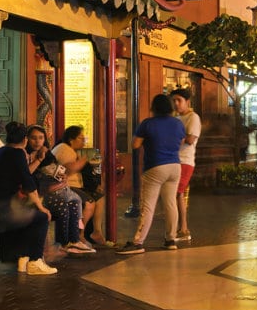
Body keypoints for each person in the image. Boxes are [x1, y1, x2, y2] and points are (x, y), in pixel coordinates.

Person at [0, 122, 56, 275]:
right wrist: (42, 208)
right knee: (41, 217)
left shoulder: (1, 151)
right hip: (1, 209)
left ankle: (23, 257)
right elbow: (28, 184)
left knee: (29, 213)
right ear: (25, 140)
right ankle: (35, 261)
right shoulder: (17, 154)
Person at [116, 94, 184, 255]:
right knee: (170, 204)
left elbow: (135, 144)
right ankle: (170, 239)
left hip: (155, 167)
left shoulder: (147, 124)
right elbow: (180, 143)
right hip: (175, 166)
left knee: (148, 206)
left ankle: (138, 242)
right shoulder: (178, 124)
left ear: (154, 107)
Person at [28, 125, 93, 255]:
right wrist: (39, 159)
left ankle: (73, 240)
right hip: (35, 194)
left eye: (40, 138)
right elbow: (26, 174)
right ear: (26, 139)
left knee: (75, 201)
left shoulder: (47, 154)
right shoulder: (25, 154)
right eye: (33, 138)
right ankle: (63, 243)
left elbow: (56, 168)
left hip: (51, 189)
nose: (37, 141)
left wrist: (60, 175)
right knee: (63, 203)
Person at [51, 126, 101, 247]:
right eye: (81, 138)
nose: (83, 140)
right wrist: (83, 161)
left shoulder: (69, 149)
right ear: (71, 139)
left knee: (99, 196)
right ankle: (79, 234)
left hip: (72, 186)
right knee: (89, 203)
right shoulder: (64, 149)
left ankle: (96, 231)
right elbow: (69, 169)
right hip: (65, 187)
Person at [171, 88, 201, 243]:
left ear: (187, 101)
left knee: (177, 193)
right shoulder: (175, 118)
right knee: (177, 195)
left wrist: (172, 139)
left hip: (185, 161)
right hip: (173, 160)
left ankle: (183, 228)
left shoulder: (193, 117)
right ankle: (181, 228)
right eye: (174, 100)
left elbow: (190, 139)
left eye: (179, 100)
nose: (176, 104)